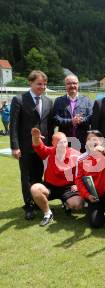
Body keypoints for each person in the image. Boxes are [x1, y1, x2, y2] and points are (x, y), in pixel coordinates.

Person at [9, 70, 54, 220]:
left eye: (44, 84)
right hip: (26, 147)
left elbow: (50, 125)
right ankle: (28, 206)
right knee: (27, 177)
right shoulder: (19, 99)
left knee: (38, 176)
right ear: (31, 83)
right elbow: (13, 125)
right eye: (39, 83)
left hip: (43, 148)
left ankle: (38, 203)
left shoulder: (48, 101)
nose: (42, 86)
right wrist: (15, 147)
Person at [30, 128, 83, 226]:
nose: (62, 144)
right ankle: (48, 213)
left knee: (78, 205)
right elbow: (38, 146)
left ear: (67, 142)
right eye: (58, 142)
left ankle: (66, 203)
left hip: (68, 187)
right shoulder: (50, 151)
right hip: (50, 186)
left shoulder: (75, 155)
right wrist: (35, 137)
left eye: (64, 142)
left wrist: (77, 185)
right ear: (53, 143)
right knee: (35, 189)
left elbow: (82, 173)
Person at [75, 130, 105, 230]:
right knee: (96, 224)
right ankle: (99, 211)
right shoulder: (81, 159)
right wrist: (87, 195)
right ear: (86, 143)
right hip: (93, 197)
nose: (92, 142)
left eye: (95, 139)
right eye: (89, 139)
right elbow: (78, 180)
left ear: (101, 141)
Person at [53, 74, 93, 151]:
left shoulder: (86, 100)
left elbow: (91, 117)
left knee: (81, 162)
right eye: (69, 83)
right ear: (65, 85)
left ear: (78, 84)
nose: (72, 85)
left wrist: (80, 120)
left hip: (82, 141)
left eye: (74, 83)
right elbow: (55, 119)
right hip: (65, 142)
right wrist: (71, 121)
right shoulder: (59, 101)